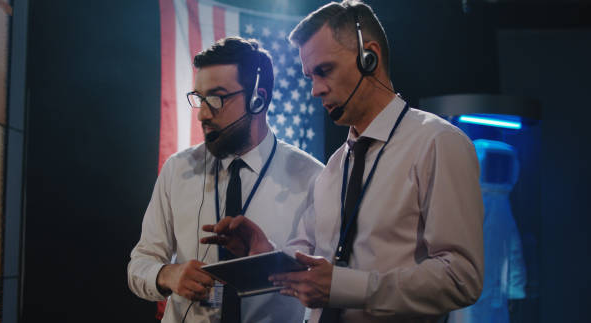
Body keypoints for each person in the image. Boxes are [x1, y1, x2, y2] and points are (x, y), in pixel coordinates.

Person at [201, 1, 484, 322]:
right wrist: (264, 253)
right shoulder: (333, 168)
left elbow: (462, 278)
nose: (315, 90)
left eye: (324, 71)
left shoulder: (437, 142)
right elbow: (306, 257)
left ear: (370, 58)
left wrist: (349, 287)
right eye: (310, 76)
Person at [128, 37, 324, 323]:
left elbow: (324, 285)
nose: (203, 114)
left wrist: (272, 260)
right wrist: (168, 274)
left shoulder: (314, 179)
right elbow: (139, 264)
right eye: (200, 98)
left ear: (259, 99)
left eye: (217, 98)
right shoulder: (178, 170)